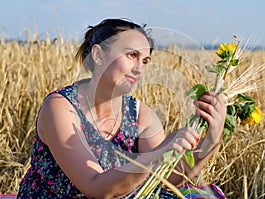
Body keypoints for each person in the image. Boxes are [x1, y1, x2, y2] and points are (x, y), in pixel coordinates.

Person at [17, 18, 226, 199]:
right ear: (98, 55)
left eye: (145, 60)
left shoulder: (141, 115)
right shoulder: (61, 107)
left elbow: (168, 179)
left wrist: (212, 138)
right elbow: (94, 186)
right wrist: (159, 153)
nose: (140, 69)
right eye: (131, 55)